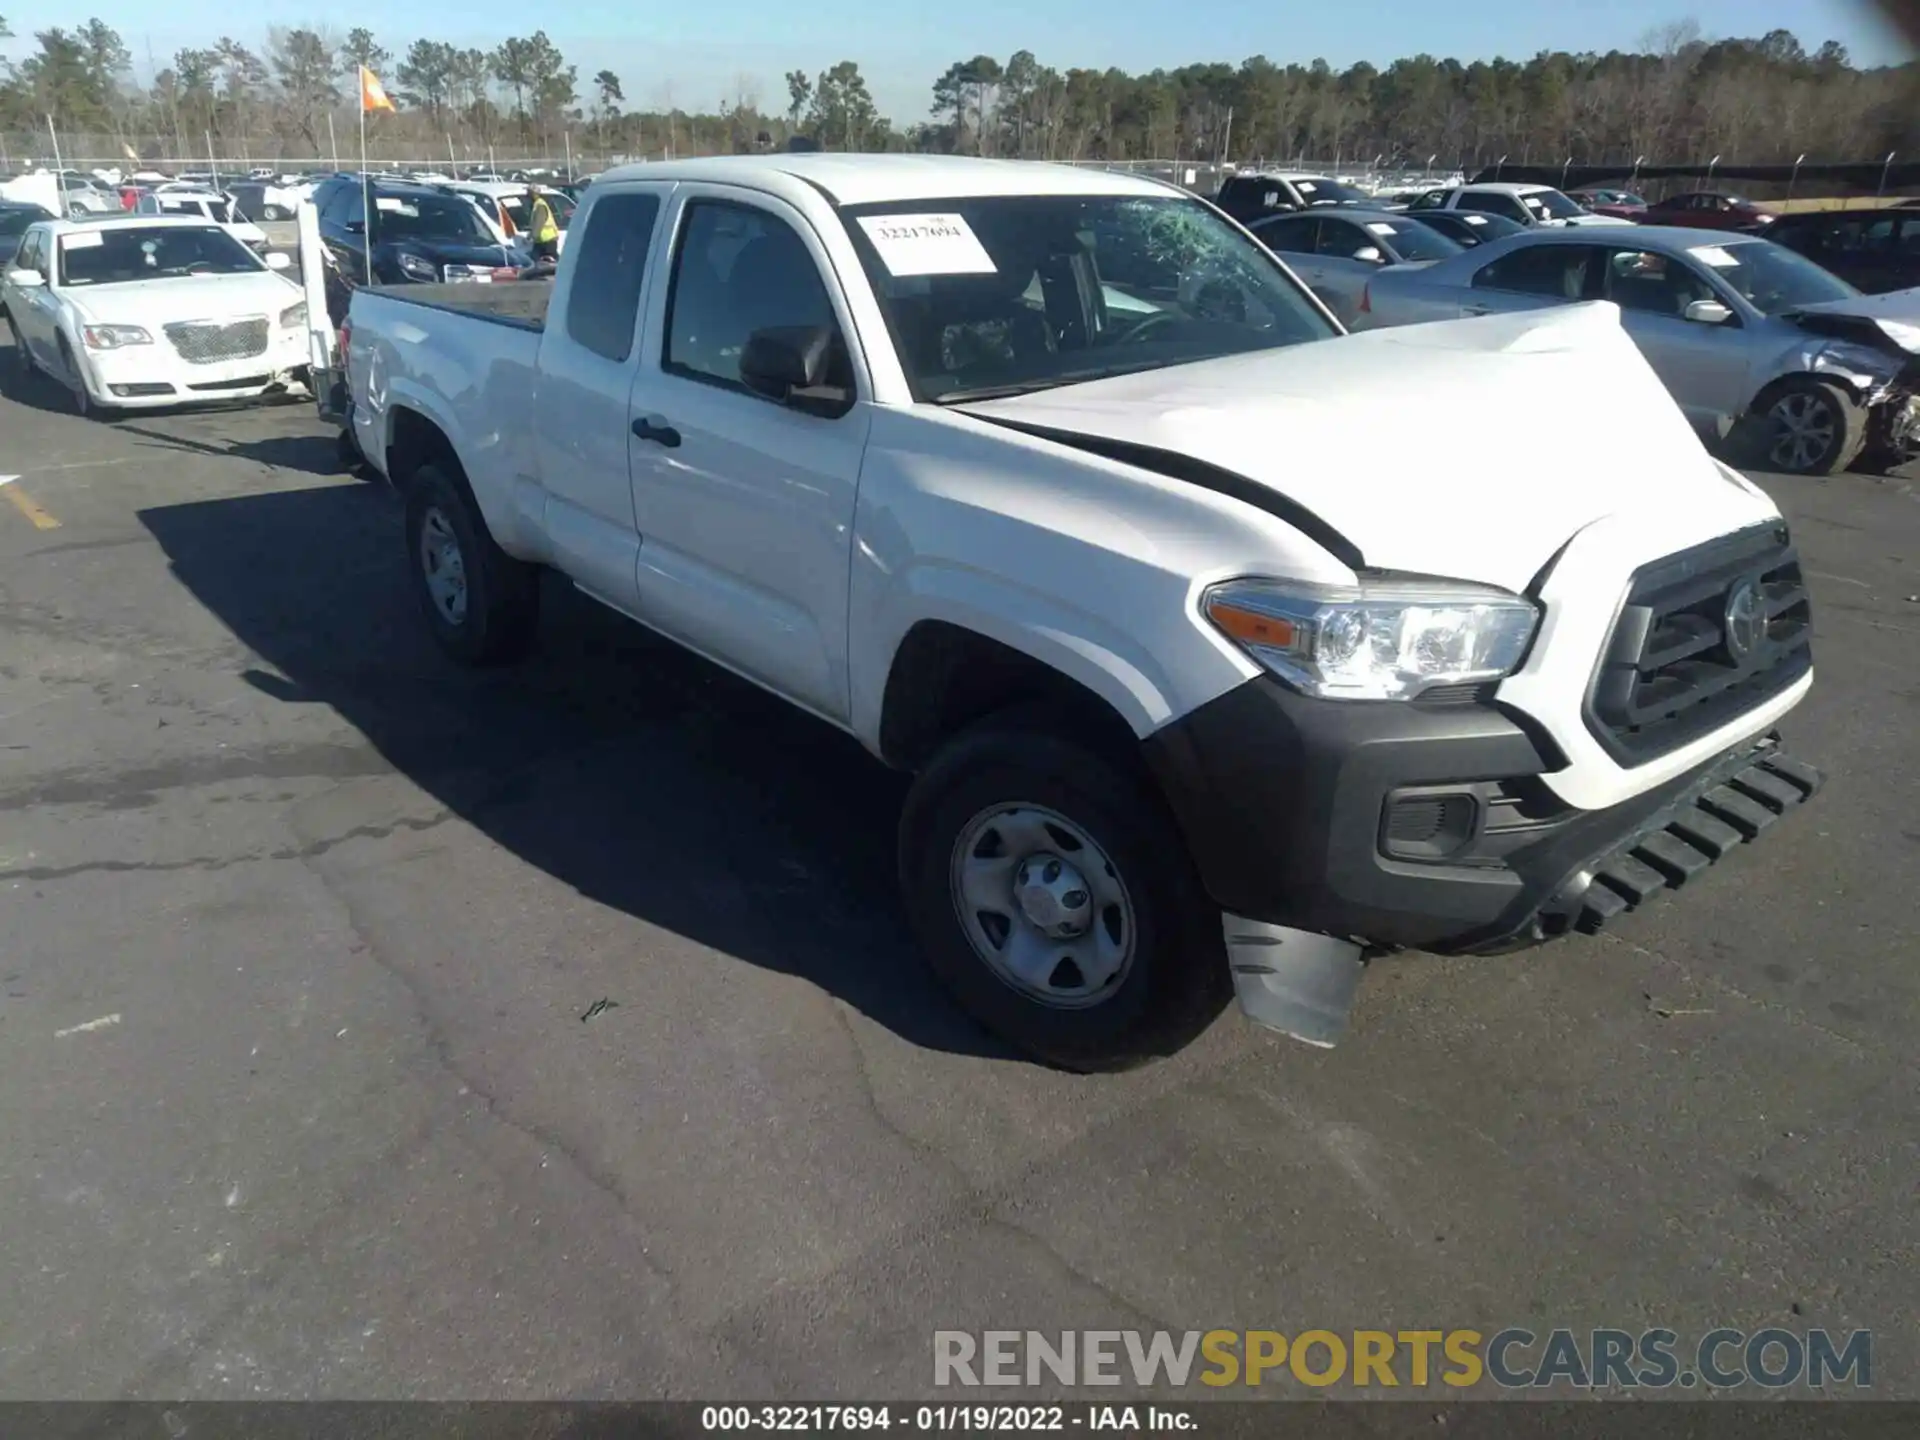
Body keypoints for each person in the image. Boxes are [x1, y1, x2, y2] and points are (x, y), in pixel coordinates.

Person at [528, 189, 560, 264]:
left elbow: (539, 222)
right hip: (542, 240)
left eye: (529, 193)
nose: (527, 195)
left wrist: (532, 236)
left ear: (534, 194)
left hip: (547, 240)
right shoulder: (537, 204)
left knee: (545, 262)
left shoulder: (540, 205)